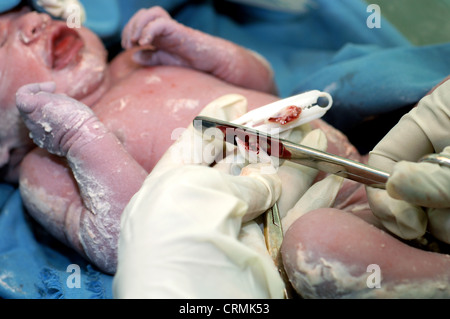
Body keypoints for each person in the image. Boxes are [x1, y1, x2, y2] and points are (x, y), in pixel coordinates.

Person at [5, 5, 450, 298]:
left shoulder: (134, 59)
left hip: (368, 169)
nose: (29, 21)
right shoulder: (42, 168)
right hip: (297, 228)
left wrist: (186, 41)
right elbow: (123, 240)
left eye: (28, 10)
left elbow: (261, 84)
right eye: (1, 42)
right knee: (317, 243)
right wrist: (79, 137)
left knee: (428, 160)